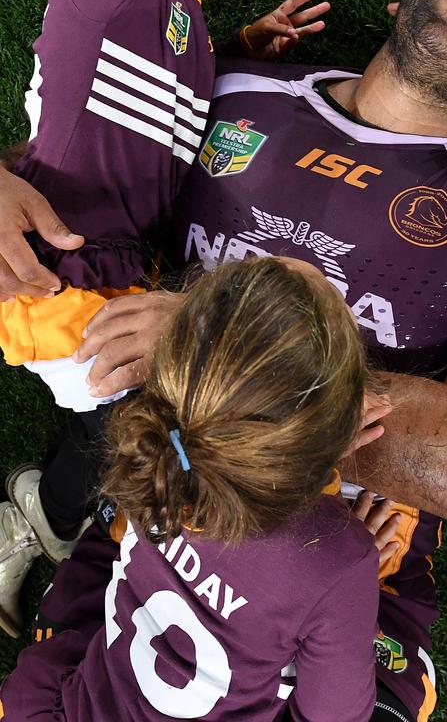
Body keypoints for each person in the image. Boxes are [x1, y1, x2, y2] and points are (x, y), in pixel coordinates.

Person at [0, 0, 447, 719]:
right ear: (401, 3)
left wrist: (208, 343)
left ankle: (53, 507)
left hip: (341, 559)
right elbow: (76, 185)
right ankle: (54, 508)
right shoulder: (231, 85)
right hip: (147, 488)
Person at [0, 0, 330, 624]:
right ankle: (66, 539)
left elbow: (175, 93)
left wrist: (246, 45)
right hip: (53, 275)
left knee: (136, 426)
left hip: (112, 276)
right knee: (160, 433)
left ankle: (53, 514)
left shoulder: (184, 23)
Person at [0, 255, 405, 721]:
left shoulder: (154, 450)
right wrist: (346, 569)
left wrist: (311, 443)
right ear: (338, 438)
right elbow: (333, 716)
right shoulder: (337, 556)